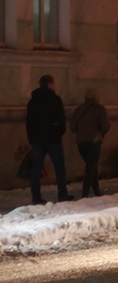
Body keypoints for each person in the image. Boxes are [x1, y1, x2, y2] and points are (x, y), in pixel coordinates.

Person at [25, 74, 72, 204]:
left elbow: (29, 123)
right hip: (53, 139)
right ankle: (62, 194)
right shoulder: (55, 100)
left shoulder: (32, 102)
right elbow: (61, 120)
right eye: (53, 83)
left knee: (36, 169)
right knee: (59, 167)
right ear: (50, 84)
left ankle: (36, 196)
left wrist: (31, 139)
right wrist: (59, 132)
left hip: (37, 141)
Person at [73, 88, 111, 197]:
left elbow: (72, 127)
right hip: (94, 142)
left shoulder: (79, 109)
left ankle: (96, 190)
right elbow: (105, 126)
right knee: (90, 167)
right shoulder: (99, 109)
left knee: (92, 165)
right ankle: (85, 194)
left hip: (80, 143)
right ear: (97, 97)